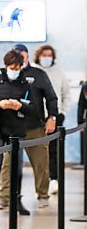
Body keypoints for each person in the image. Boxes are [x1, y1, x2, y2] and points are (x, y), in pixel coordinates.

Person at [0, 44, 59, 212]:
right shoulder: (5, 75)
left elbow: (51, 98)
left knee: (41, 164)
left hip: (34, 127)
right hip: (12, 130)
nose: (19, 59)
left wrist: (52, 117)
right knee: (7, 165)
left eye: (22, 56)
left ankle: (42, 195)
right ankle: (4, 198)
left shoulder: (39, 75)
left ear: (27, 56)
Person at [0, 50, 36, 218]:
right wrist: (0, 103)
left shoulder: (25, 83)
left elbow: (34, 109)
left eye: (18, 67)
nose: (15, 70)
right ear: (6, 66)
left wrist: (21, 106)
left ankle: (17, 199)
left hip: (17, 130)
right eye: (12, 67)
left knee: (17, 169)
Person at [34, 45, 71, 194]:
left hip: (55, 117)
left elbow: (66, 95)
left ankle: (54, 179)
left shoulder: (60, 73)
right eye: (44, 55)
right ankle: (41, 183)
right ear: (39, 56)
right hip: (37, 118)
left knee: (54, 150)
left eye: (49, 55)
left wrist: (61, 114)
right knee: (40, 152)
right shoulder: (33, 72)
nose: (47, 58)